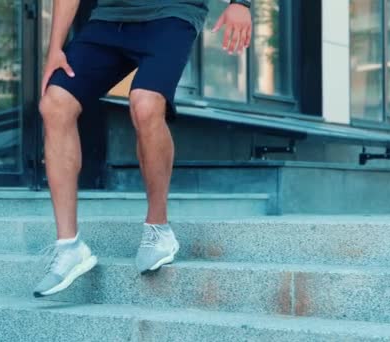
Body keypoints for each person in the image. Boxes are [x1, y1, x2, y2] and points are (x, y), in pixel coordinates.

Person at [33, 0, 253, 298]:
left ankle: (158, 230)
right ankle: (69, 246)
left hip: (172, 14)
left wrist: (241, 3)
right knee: (55, 103)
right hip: (110, 19)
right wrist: (55, 48)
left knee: (146, 103)